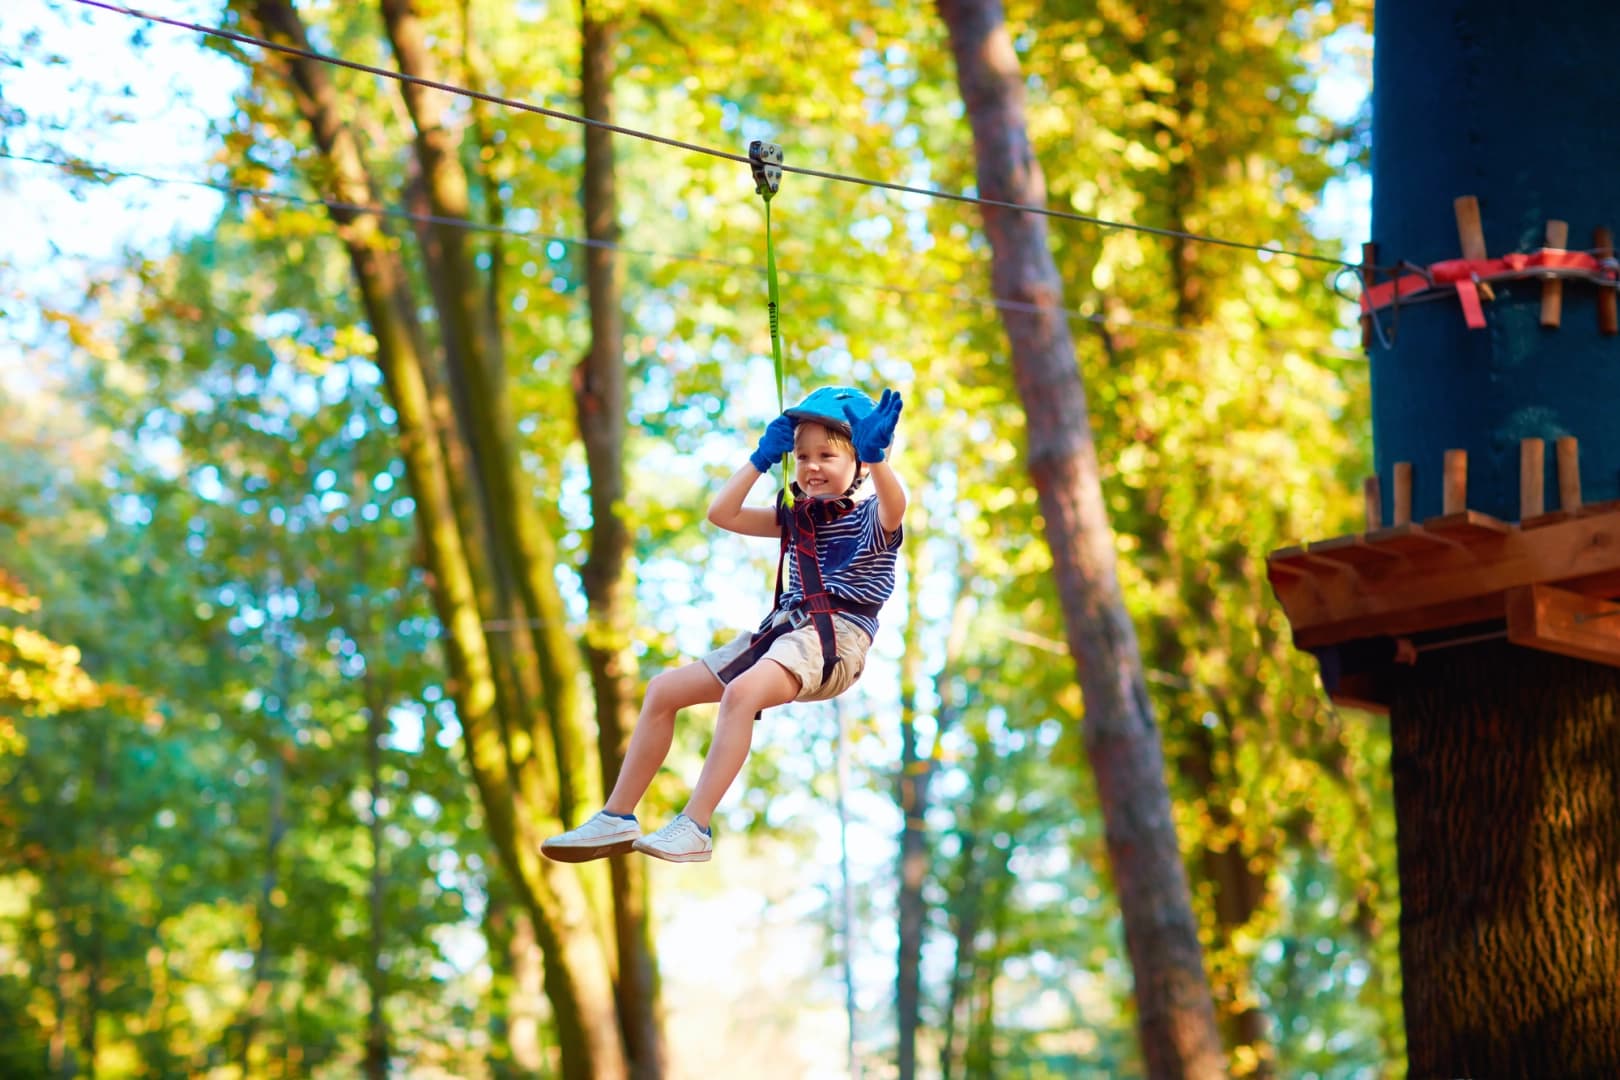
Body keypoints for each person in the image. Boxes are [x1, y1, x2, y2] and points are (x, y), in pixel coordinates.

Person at [542, 386, 906, 864]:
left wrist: (876, 458)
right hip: (783, 632)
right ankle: (616, 816)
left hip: (836, 639)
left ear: (858, 464)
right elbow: (722, 513)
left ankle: (695, 825)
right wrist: (760, 458)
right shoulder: (795, 518)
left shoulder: (872, 521)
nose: (811, 466)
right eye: (801, 456)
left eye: (827, 455)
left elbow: (894, 505)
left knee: (741, 693)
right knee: (663, 691)